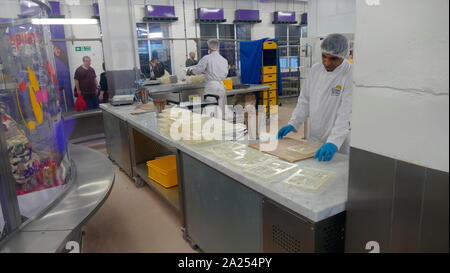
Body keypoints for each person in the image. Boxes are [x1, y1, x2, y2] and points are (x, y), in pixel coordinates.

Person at [277, 33, 352, 162]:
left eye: (333, 58)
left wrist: (333, 142)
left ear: (343, 56)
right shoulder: (316, 70)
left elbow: (347, 113)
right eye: (324, 56)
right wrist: (294, 122)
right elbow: (305, 100)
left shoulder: (350, 74)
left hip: (338, 142)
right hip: (314, 136)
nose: (327, 62)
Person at [187, 39, 228, 114]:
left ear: (210, 48)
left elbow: (197, 70)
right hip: (221, 87)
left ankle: (212, 125)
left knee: (211, 110)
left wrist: (190, 72)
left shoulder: (207, 58)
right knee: (221, 109)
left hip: (212, 87)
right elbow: (225, 74)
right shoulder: (224, 60)